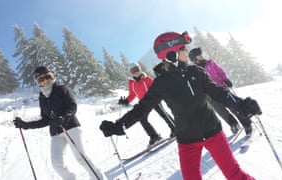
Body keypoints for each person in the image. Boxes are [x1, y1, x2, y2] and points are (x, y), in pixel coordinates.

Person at [100, 31, 262, 180]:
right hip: (187, 141)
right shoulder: (161, 83)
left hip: (213, 132)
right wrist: (119, 125)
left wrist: (242, 105)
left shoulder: (196, 72)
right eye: (184, 49)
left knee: (235, 175)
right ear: (172, 54)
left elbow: (219, 93)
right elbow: (142, 108)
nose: (186, 52)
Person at [13, 66, 105, 180]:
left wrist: (63, 116)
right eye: (41, 79)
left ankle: (99, 178)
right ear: (38, 82)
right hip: (56, 132)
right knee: (56, 163)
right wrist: (26, 125)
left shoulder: (62, 89)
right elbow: (45, 119)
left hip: (70, 127)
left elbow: (72, 106)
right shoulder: (42, 97)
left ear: (52, 76)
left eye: (47, 77)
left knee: (80, 157)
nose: (45, 81)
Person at [189, 47, 252, 136]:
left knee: (234, 107)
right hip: (210, 95)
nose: (201, 56)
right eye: (199, 55)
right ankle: (233, 124)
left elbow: (220, 71)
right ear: (194, 58)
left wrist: (225, 79)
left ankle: (246, 124)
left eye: (201, 54)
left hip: (222, 88)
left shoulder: (210, 63)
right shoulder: (195, 70)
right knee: (222, 112)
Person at [119, 63, 175, 146]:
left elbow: (156, 87)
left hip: (153, 99)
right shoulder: (132, 83)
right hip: (143, 103)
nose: (136, 72)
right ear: (131, 72)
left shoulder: (147, 79)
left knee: (163, 114)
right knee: (142, 119)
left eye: (137, 69)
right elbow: (132, 94)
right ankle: (154, 136)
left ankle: (175, 129)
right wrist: (126, 101)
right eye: (133, 70)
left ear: (140, 69)